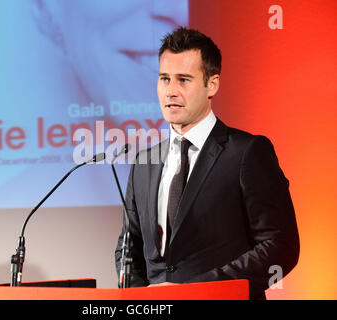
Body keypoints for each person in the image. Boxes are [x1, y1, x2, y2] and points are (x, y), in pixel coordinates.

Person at [115, 27, 300, 300]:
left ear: (211, 84)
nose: (171, 91)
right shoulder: (144, 161)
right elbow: (127, 248)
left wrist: (197, 292)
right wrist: (140, 301)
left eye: (184, 80)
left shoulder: (247, 152)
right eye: (164, 79)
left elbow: (279, 245)